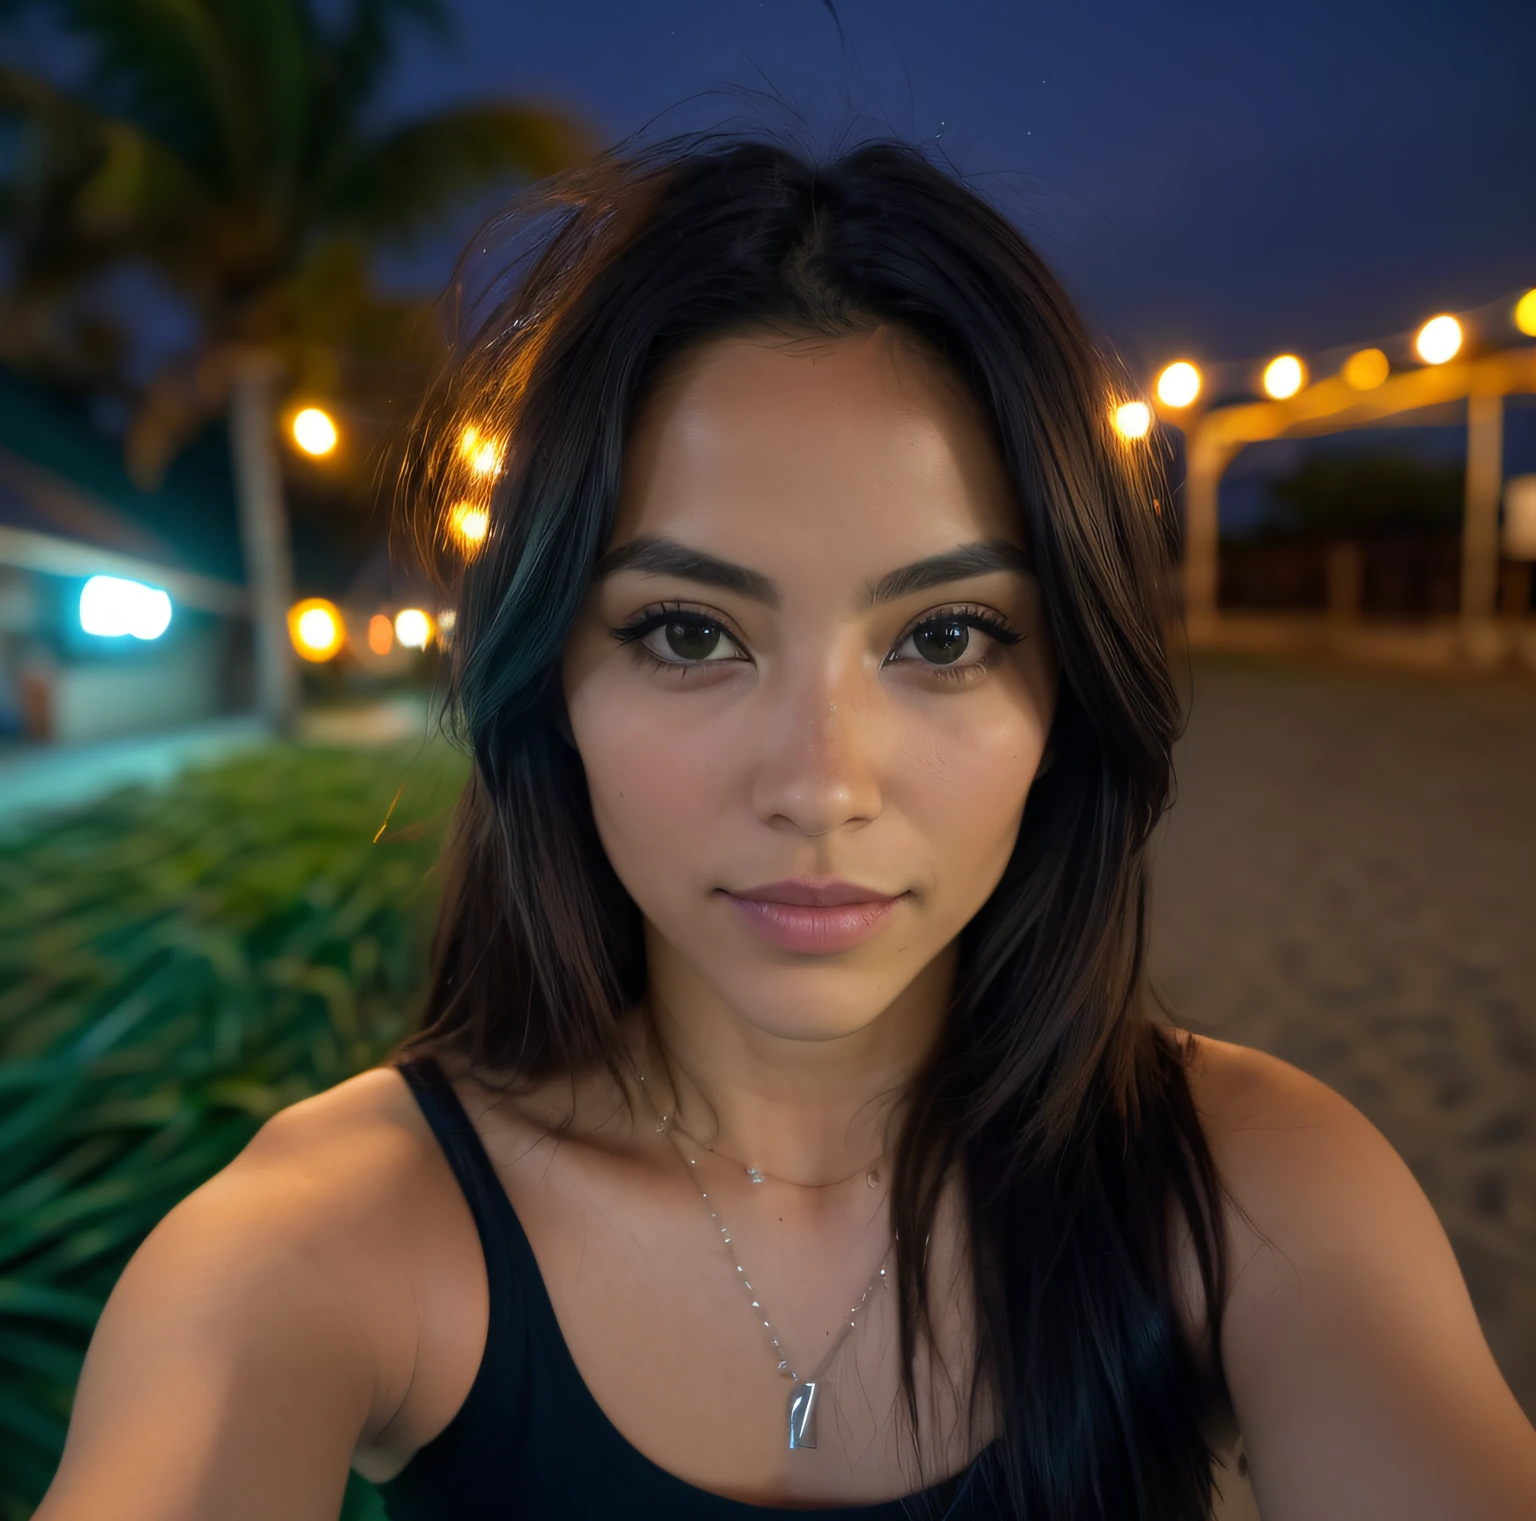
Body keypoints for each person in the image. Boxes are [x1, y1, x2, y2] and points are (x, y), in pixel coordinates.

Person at [35, 127, 1536, 1521]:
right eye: (690, 633)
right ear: (548, 677)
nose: (821, 783)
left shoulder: (1250, 1189)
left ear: (1066, 695)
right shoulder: (339, 1234)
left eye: (944, 637)